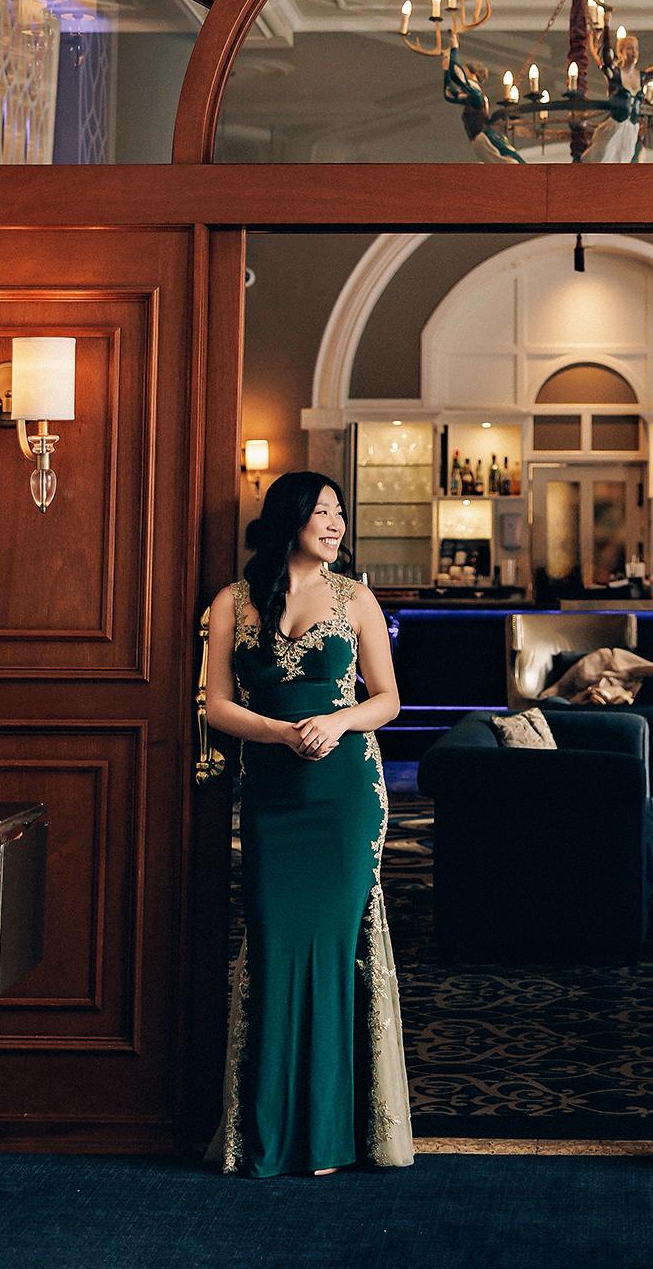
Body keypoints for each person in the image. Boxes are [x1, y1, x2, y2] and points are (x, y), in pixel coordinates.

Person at [205, 471, 414, 1177]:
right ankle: (266, 1135)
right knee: (273, 948)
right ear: (289, 517)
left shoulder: (356, 597)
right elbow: (215, 707)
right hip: (272, 793)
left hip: (345, 796)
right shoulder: (231, 603)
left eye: (340, 513)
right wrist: (277, 731)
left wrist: (334, 720)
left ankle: (329, 1138)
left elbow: (386, 700)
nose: (336, 524)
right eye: (322, 512)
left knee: (333, 952)